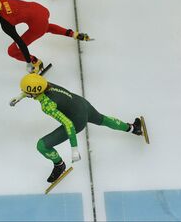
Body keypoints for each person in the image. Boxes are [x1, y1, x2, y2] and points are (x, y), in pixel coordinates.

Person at [17, 73, 146, 183]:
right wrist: (19, 97)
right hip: (82, 104)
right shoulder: (44, 82)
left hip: (76, 121)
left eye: (26, 92)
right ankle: (133, 128)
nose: (25, 93)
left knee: (42, 145)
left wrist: (74, 149)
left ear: (33, 93)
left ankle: (59, 165)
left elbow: (69, 125)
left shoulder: (47, 105)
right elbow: (34, 89)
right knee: (102, 119)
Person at [0, 0, 91, 72]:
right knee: (45, 27)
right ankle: (73, 34)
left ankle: (37, 63)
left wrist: (29, 61)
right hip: (40, 8)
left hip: (37, 21)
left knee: (12, 51)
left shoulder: (6, 24)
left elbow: (21, 44)